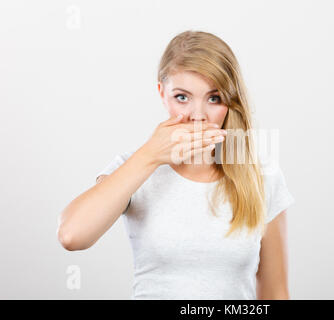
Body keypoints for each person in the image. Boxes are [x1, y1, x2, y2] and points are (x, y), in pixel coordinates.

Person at [57, 30, 295, 300]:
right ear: (162, 94)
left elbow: (275, 293)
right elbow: (71, 236)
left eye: (214, 98)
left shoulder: (261, 175)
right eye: (182, 97)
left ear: (231, 102)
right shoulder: (135, 167)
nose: (198, 115)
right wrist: (151, 155)